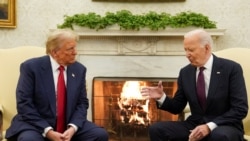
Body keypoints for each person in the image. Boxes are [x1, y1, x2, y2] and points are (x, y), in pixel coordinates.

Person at [141, 29, 248, 141]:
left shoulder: (231, 68)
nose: (187, 54)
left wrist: (209, 126)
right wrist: (161, 97)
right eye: (185, 50)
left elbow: (240, 109)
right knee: (157, 129)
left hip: (224, 125)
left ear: (207, 48)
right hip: (195, 124)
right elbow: (177, 106)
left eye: (191, 50)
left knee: (219, 136)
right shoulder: (185, 72)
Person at [5, 29, 109, 141]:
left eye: (75, 47)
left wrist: (73, 128)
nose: (75, 52)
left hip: (68, 123)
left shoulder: (79, 69)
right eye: (70, 49)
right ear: (54, 52)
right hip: (35, 124)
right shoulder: (31, 67)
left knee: (100, 135)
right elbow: (24, 104)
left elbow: (82, 103)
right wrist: (48, 131)